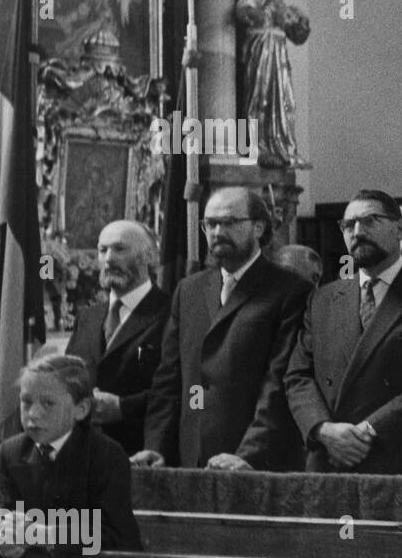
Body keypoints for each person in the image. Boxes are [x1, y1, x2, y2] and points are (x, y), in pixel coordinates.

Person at [132, 187, 311, 471]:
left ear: (258, 227)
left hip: (255, 461)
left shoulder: (290, 290)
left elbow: (278, 384)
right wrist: (156, 446)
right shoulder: (189, 289)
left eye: (228, 222)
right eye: (210, 224)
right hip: (191, 457)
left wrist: (249, 453)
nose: (217, 231)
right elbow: (169, 378)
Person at [286, 190, 402, 475]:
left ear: (399, 229)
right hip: (328, 459)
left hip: (398, 459)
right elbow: (299, 375)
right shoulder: (323, 298)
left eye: (370, 221)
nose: (357, 231)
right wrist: (323, 430)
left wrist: (368, 431)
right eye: (348, 225)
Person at [0, 355, 141, 556]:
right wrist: (4, 536)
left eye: (48, 403)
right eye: (26, 402)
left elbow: (115, 536)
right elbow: (4, 515)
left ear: (81, 409)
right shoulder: (9, 452)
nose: (33, 414)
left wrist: (43, 534)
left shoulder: (107, 455)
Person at [64, 220, 169, 455]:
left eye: (120, 249)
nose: (109, 258)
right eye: (103, 250)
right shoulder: (88, 317)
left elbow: (185, 391)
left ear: (149, 256)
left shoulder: (172, 313)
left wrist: (124, 408)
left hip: (141, 454)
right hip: (83, 455)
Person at [234, 0, 310, 168]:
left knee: (286, 101)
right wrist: (266, 11)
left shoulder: (280, 0)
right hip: (263, 52)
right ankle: (260, 147)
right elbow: (243, 9)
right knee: (261, 98)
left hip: (279, 54)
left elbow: (296, 35)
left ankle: (284, 147)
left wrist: (300, 23)